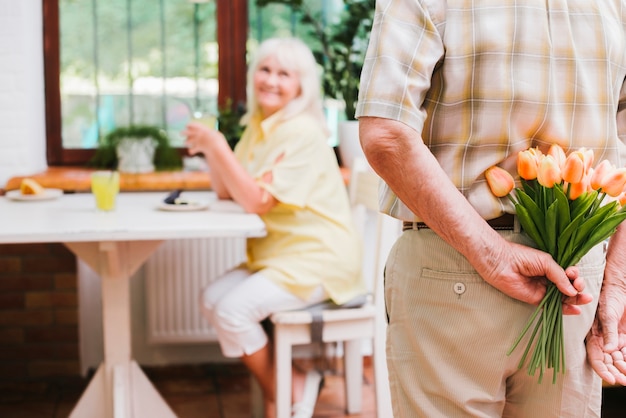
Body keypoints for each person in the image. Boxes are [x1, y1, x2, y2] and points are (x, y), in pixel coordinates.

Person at [356, 1, 626, 417]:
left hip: (453, 267)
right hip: (575, 282)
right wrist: (616, 283)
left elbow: (386, 134)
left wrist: (493, 254)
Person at [183, 37, 364, 418]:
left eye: (285, 73)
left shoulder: (302, 132)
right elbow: (226, 190)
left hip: (319, 259)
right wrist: (212, 151)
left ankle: (286, 392)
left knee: (233, 312)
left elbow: (256, 202)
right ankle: (294, 382)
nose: (271, 80)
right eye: (265, 69)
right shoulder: (259, 126)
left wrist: (217, 145)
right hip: (280, 257)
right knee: (211, 297)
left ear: (302, 86)